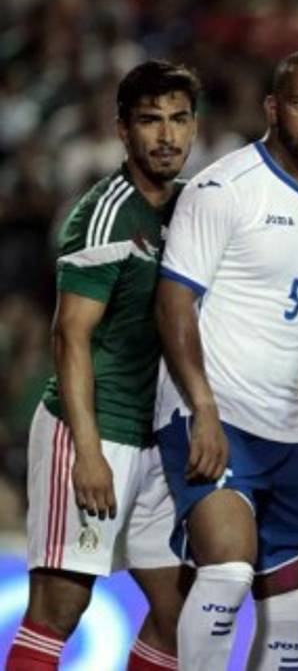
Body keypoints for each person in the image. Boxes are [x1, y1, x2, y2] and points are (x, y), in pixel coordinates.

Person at [153, 49, 298, 671]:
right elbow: (173, 305)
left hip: (286, 431)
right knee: (228, 573)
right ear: (273, 107)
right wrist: (203, 409)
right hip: (212, 414)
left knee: (292, 606)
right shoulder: (224, 188)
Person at [5, 61, 200, 671]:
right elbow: (70, 338)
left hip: (158, 439)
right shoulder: (106, 215)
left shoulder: (194, 210)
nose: (166, 136)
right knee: (59, 607)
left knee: (180, 613)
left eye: (179, 119)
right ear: (122, 130)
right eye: (150, 121)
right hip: (94, 431)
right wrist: (87, 451)